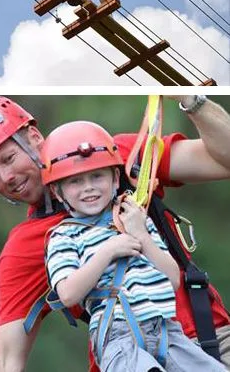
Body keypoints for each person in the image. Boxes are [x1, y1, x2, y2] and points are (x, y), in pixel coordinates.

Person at [0, 96, 230, 371]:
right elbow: (3, 359)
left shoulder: (113, 156)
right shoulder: (28, 245)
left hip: (207, 342)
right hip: (127, 358)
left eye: (8, 158)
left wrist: (192, 100)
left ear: (33, 137)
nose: (6, 177)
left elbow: (223, 160)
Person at [41, 121, 225, 371]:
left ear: (116, 178)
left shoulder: (134, 216)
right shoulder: (64, 236)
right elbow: (68, 294)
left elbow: (172, 280)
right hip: (118, 336)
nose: (88, 187)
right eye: (75, 181)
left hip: (165, 330)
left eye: (97, 176)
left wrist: (142, 236)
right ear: (57, 192)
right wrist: (109, 251)